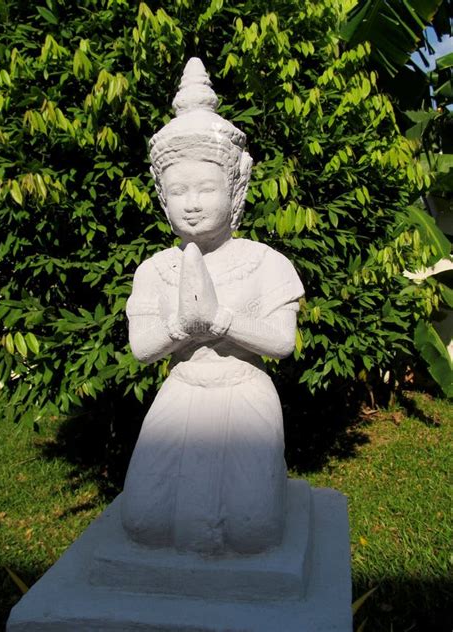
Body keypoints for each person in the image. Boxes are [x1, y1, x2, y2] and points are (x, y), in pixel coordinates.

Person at [121, 58, 304, 555]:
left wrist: (220, 319)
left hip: (244, 393)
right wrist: (183, 323)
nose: (192, 203)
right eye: (178, 191)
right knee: (144, 524)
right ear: (162, 197)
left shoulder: (265, 262)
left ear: (236, 189)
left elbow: (282, 343)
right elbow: (142, 349)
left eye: (206, 188)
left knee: (251, 532)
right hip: (182, 393)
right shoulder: (155, 269)